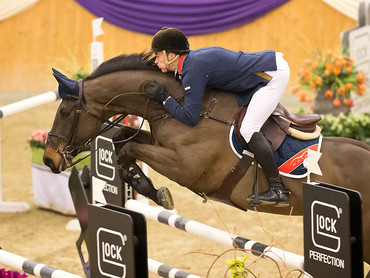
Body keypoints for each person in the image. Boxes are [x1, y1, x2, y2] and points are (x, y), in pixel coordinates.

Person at [146, 27, 291, 207]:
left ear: (171, 55)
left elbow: (191, 117)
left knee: (248, 129)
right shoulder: (191, 63)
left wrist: (164, 99)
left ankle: (278, 189)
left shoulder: (193, 68)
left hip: (273, 75)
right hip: (267, 68)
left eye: (158, 55)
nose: (156, 59)